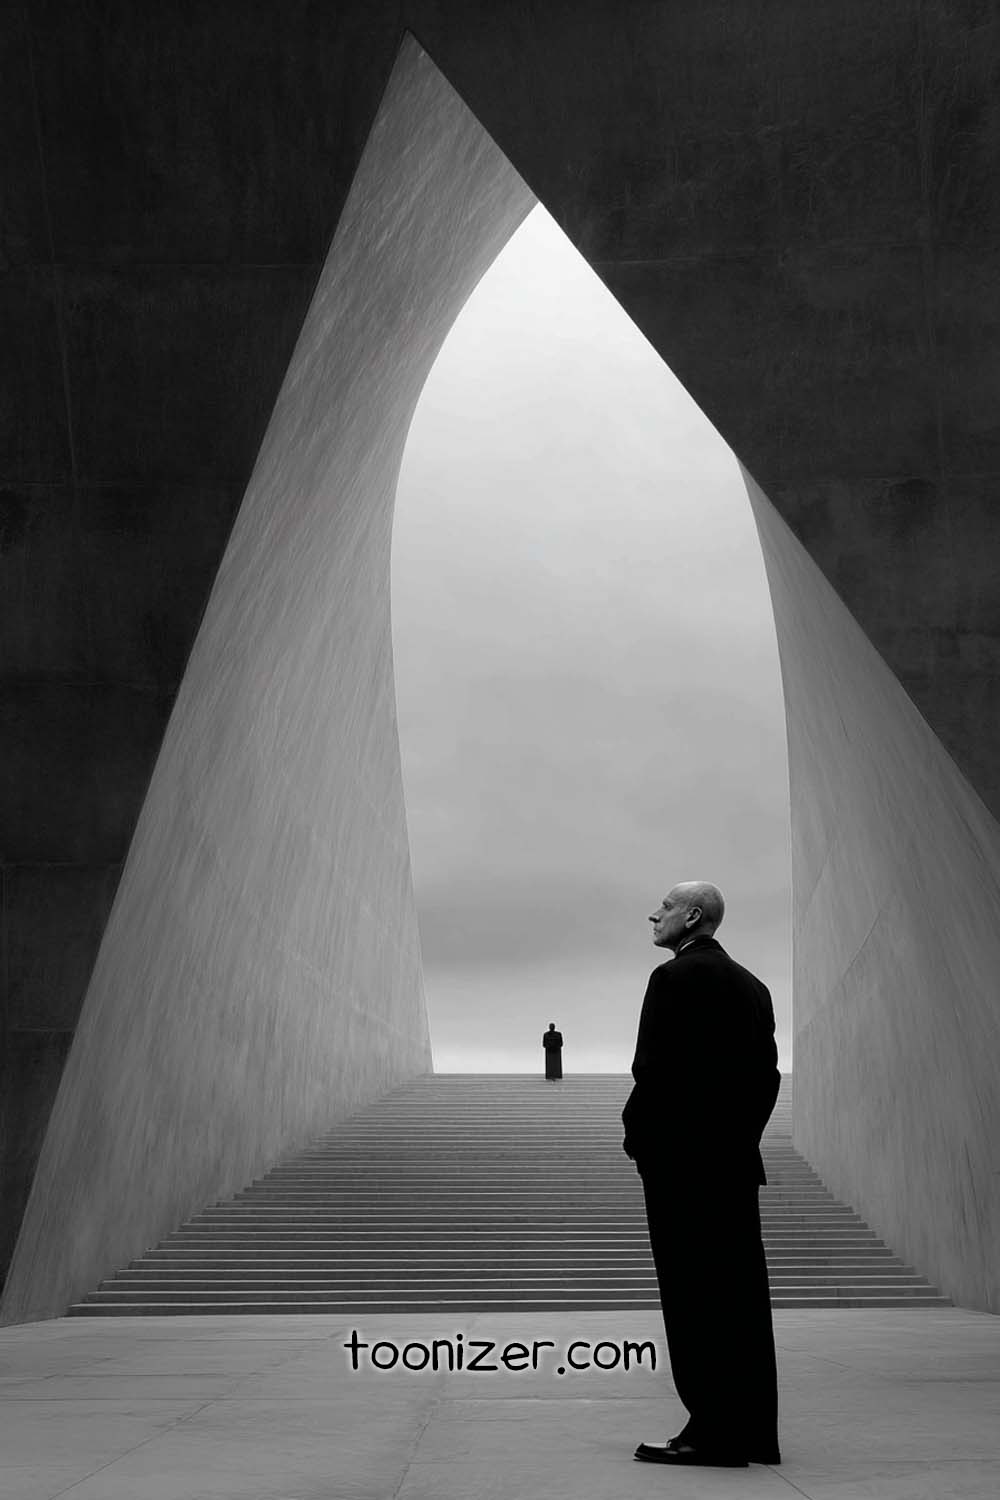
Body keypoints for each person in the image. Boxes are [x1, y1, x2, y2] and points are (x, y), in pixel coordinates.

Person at [622, 881, 781, 1469]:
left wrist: (640, 1139)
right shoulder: (755, 987)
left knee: (693, 1299)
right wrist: (739, 1141)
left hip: (682, 1167)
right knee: (740, 1299)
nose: (654, 915)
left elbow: (652, 1070)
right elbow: (767, 1079)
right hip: (734, 1165)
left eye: (663, 907)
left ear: (691, 917)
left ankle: (710, 1433)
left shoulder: (672, 979)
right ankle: (754, 1433)